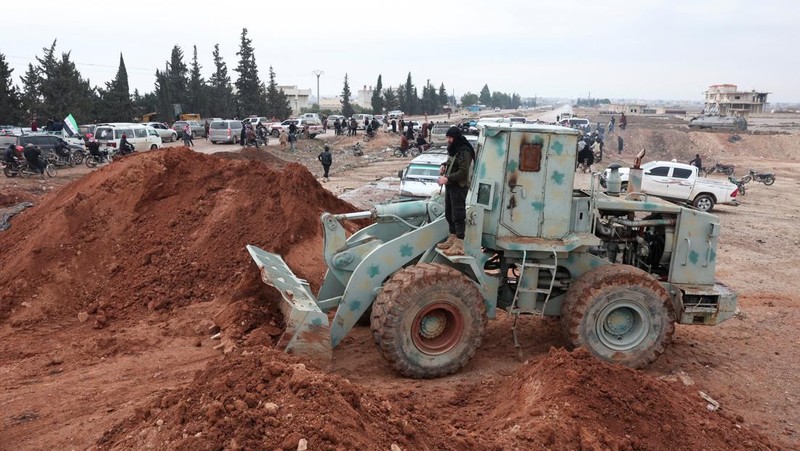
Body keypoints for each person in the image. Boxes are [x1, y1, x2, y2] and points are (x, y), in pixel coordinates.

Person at [436, 127, 475, 256]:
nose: (448, 140)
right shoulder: (455, 150)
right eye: (448, 138)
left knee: (458, 214)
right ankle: (452, 237)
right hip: (451, 186)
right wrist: (444, 165)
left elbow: (463, 172)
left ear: (456, 137)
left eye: (450, 138)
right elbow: (452, 162)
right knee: (449, 213)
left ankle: (459, 243)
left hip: (459, 186)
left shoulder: (464, 151)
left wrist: (447, 178)